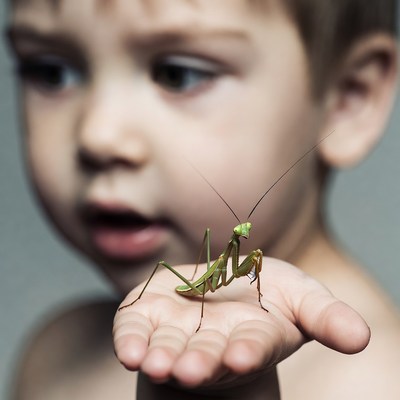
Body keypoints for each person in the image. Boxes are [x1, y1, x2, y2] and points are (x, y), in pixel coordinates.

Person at [6, 0, 400, 398]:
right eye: (50, 72)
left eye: (178, 74)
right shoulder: (54, 352)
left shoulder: (376, 379)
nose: (98, 136)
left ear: (349, 96)